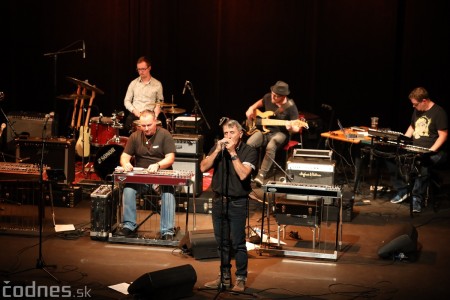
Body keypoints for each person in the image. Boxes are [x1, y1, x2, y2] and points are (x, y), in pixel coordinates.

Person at [200, 118, 258, 292]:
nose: (228, 136)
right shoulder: (219, 149)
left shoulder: (249, 151)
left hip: (237, 202)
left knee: (238, 243)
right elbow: (203, 167)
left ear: (240, 134)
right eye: (225, 133)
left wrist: (233, 153)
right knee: (221, 243)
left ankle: (240, 278)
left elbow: (243, 175)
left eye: (232, 133)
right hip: (218, 201)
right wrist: (217, 149)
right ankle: (224, 277)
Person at [116, 110, 177, 239]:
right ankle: (128, 225)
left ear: (155, 122)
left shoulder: (165, 135)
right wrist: (125, 163)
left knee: (168, 192)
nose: (146, 128)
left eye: (149, 125)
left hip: (161, 177)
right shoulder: (134, 136)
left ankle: (167, 231)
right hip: (142, 178)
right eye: (143, 126)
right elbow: (124, 157)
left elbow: (170, 158)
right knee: (128, 189)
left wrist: (158, 165)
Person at [388, 87, 447, 213]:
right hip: (415, 148)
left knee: (423, 162)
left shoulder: (439, 112)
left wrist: (430, 151)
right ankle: (403, 189)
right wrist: (401, 141)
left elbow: (443, 135)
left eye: (415, 104)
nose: (413, 107)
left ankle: (416, 198)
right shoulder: (417, 111)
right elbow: (412, 127)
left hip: (434, 151)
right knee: (389, 156)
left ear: (424, 101)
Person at [245, 80, 303, 186]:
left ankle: (261, 175)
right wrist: (251, 108)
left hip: (280, 134)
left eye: (275, 96)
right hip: (264, 131)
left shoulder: (291, 107)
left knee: (271, 146)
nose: (272, 97)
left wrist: (290, 128)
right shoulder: (268, 97)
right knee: (249, 143)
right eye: (272, 93)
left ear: (283, 96)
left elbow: (296, 128)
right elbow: (260, 102)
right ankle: (247, 170)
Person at [123, 56, 165, 134]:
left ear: (149, 68)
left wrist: (156, 113)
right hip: (136, 115)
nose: (141, 72)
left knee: (160, 124)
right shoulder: (133, 83)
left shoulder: (157, 84)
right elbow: (127, 101)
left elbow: (160, 101)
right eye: (139, 69)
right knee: (128, 122)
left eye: (143, 69)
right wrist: (134, 111)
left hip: (150, 116)